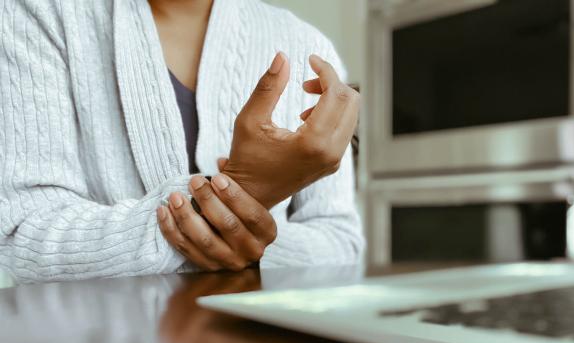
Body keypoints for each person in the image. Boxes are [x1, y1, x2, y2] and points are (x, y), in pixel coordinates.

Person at [0, 0, 363, 283]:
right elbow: (22, 236)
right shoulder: (38, 13)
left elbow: (340, 242)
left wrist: (247, 239)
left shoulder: (308, 46)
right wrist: (240, 198)